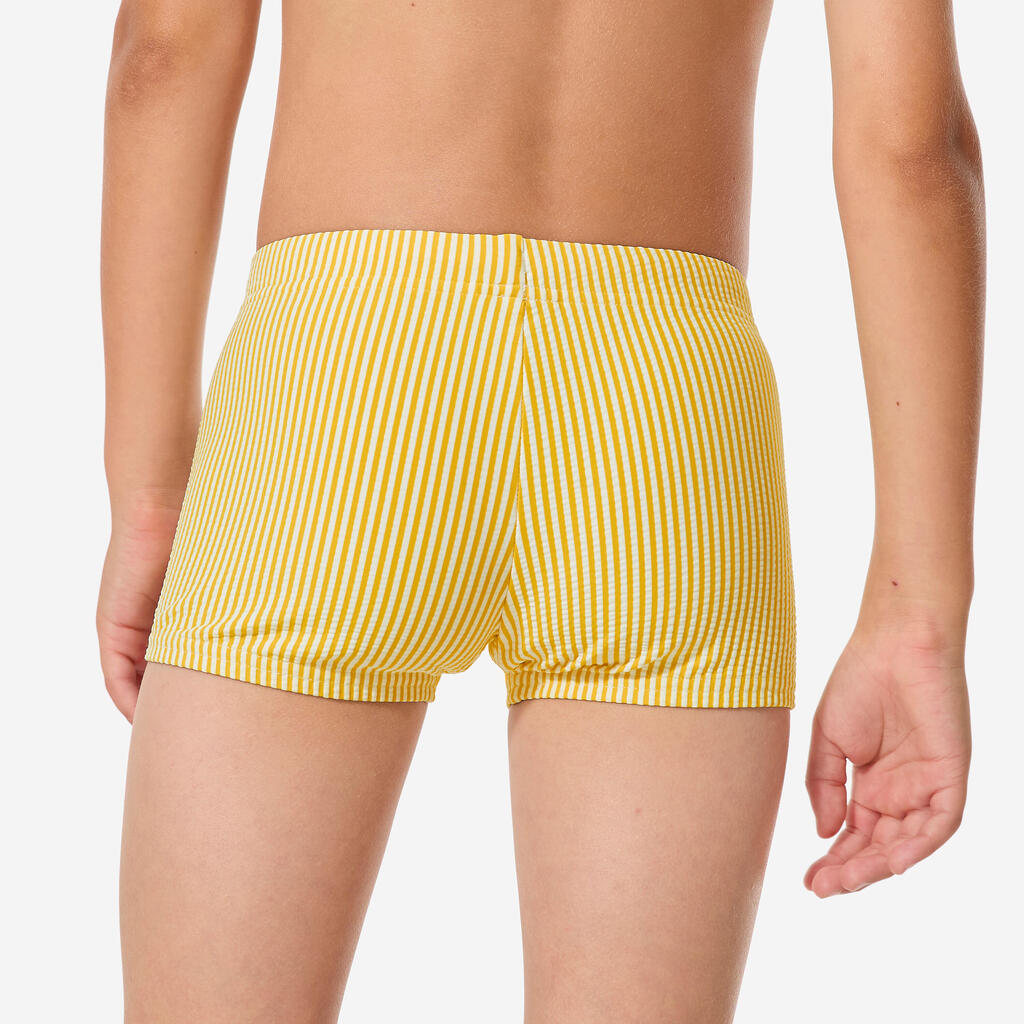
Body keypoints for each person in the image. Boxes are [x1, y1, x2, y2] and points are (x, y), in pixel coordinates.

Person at [96, 0, 983, 1020]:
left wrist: (149, 494)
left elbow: (165, 55)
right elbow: (912, 147)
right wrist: (918, 611)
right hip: (663, 411)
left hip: (346, 372)